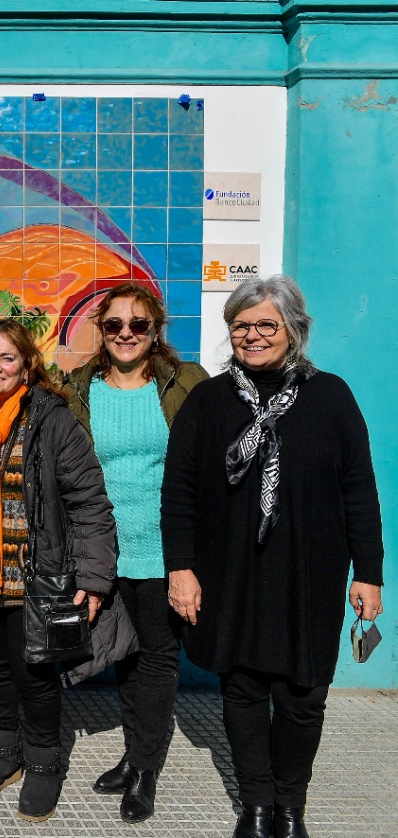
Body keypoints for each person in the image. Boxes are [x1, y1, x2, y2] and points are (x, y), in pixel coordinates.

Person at [161, 276, 383, 838]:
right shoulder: (208, 401)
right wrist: (181, 568)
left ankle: (291, 807)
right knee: (242, 690)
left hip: (310, 574)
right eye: (242, 326)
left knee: (303, 695)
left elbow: (359, 488)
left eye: (267, 324)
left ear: (293, 331)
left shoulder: (331, 396)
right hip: (232, 573)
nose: (253, 336)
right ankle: (256, 805)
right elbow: (179, 490)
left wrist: (370, 573)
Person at [0, 319, 116, 823]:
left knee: (35, 674)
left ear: (27, 367)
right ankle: (2, 753)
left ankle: (43, 762)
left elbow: (89, 503)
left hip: (39, 579)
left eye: (7, 358)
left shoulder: (53, 421)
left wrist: (94, 577)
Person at [59, 282, 208, 823]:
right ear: (101, 331)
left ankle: (145, 769)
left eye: (138, 324)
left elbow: (207, 468)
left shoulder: (186, 383)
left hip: (164, 546)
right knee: (121, 651)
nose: (126, 334)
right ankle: (134, 754)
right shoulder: (77, 387)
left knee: (156, 657)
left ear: (155, 330)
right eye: (115, 325)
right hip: (102, 547)